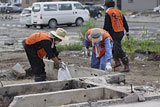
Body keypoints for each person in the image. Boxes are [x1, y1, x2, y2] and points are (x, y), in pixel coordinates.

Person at [103, 0, 130, 72]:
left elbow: (106, 25)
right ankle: (117, 61)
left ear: (107, 6)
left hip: (114, 33)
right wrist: (127, 30)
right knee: (113, 47)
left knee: (118, 49)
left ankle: (126, 65)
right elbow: (124, 21)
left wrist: (104, 33)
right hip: (120, 32)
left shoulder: (108, 13)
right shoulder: (119, 11)